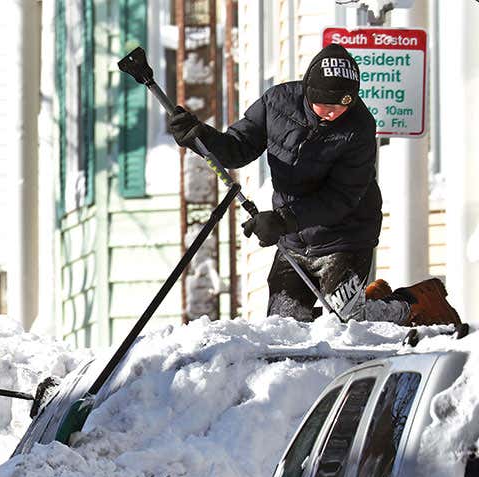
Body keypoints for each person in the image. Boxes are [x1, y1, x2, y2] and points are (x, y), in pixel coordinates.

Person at [166, 43, 460, 327]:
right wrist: (199, 136)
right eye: (325, 105)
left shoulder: (359, 127)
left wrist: (282, 220)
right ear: (308, 92)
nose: (332, 113)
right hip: (294, 239)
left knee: (347, 318)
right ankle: (370, 300)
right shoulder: (276, 103)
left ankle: (412, 304)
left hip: (345, 234)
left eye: (342, 105)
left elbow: (342, 197)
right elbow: (237, 148)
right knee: (286, 324)